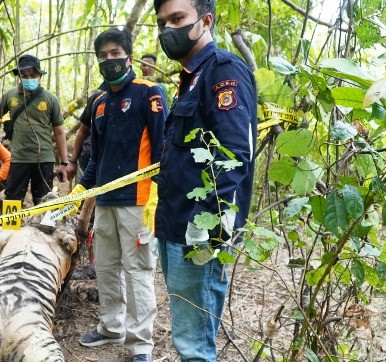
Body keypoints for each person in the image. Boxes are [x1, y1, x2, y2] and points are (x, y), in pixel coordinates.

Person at [152, 0, 258, 361]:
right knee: (188, 335)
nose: (169, 29)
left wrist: (208, 227)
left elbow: (234, 155)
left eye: (178, 19)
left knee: (194, 345)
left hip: (198, 231)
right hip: (172, 224)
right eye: (162, 22)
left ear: (206, 20)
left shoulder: (223, 71)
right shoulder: (190, 79)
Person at [73, 28, 167, 362]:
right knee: (108, 268)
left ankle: (140, 345)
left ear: (128, 55)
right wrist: (82, 189)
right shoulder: (99, 103)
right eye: (103, 55)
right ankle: (111, 327)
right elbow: (95, 157)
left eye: (115, 53)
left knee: (138, 270)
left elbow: (161, 150)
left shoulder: (149, 93)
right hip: (106, 203)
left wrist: (158, 199)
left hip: (139, 201)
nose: (109, 60)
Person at [0, 54, 68, 205]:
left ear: (40, 76)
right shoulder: (10, 95)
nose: (29, 78)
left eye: (33, 75)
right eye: (24, 75)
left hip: (44, 158)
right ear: (19, 76)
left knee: (43, 203)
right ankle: (11, 230)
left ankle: (41, 229)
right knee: (12, 201)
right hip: (18, 158)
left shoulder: (50, 99)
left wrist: (64, 162)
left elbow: (59, 131)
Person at [66, 88, 104, 183]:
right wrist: (72, 161)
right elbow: (83, 131)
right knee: (80, 196)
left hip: (108, 170)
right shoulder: (97, 97)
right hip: (85, 163)